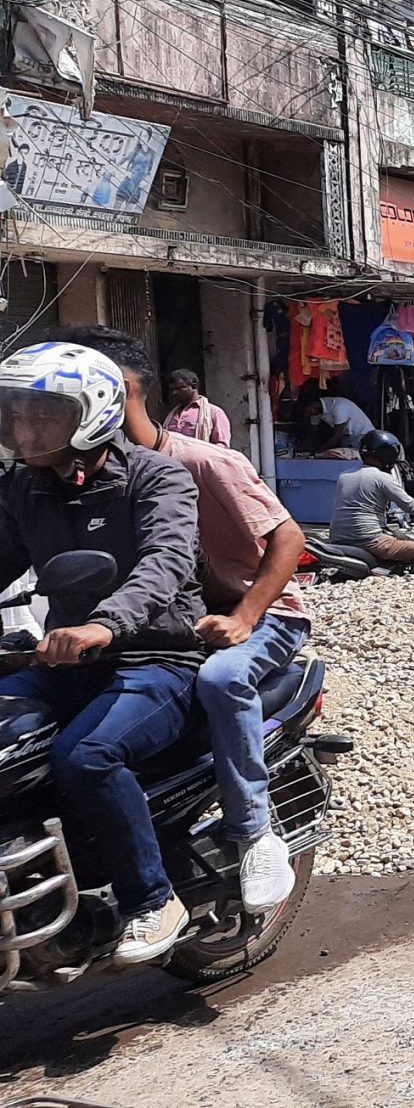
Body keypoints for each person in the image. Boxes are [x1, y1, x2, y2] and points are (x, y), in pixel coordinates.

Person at [65, 326, 304, 914]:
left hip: (262, 612)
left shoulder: (203, 462)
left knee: (221, 679)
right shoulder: (93, 478)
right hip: (178, 624)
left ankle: (254, 833)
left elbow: (288, 538)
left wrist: (248, 616)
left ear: (120, 392)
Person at [0, 342, 207, 964]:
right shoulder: (22, 488)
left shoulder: (158, 476)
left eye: (41, 414)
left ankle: (153, 899)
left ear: (91, 412)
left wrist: (105, 625)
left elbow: (165, 562)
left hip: (157, 660)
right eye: (15, 413)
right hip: (61, 660)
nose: (23, 428)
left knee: (84, 756)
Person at [332, 431, 414, 577]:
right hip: (369, 539)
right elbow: (409, 505)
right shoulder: (383, 478)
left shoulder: (345, 475)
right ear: (388, 454)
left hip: (338, 537)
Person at [162, 369, 230, 448]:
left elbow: (222, 446)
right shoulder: (172, 415)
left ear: (194, 386)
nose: (175, 393)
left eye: (179, 388)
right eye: (173, 390)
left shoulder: (213, 412)